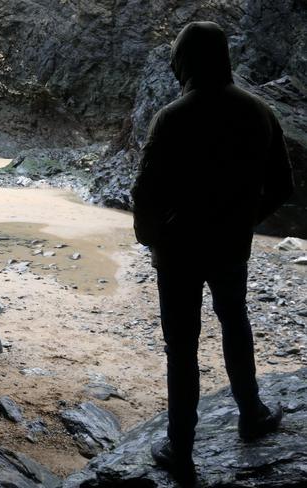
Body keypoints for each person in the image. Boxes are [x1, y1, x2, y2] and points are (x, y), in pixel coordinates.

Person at [131, 21, 294, 480]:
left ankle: (180, 446)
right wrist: (245, 218)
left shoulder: (173, 116)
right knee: (235, 323)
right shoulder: (258, 111)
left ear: (184, 60)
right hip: (230, 245)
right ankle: (251, 413)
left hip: (178, 250)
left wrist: (150, 234)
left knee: (180, 348)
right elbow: (283, 185)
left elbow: (145, 190)